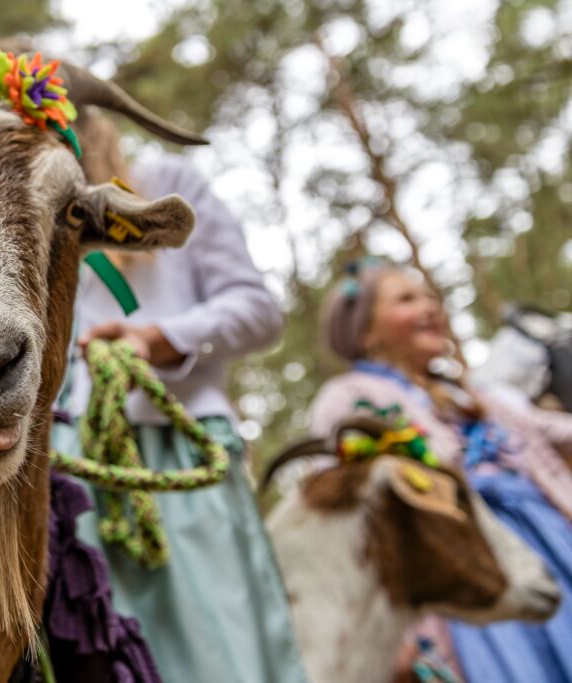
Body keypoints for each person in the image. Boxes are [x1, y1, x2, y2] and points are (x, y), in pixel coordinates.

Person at [51, 109, 309, 683]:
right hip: (54, 480)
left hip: (173, 455)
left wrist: (159, 338)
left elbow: (257, 310)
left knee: (214, 660)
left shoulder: (166, 183)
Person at [311, 262, 572, 681]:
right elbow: (344, 503)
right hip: (466, 562)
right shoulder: (350, 396)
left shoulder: (471, 393)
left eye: (430, 295)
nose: (430, 304)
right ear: (365, 332)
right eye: (406, 299)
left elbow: (548, 431)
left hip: (550, 540)